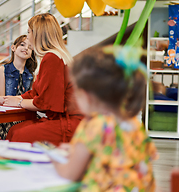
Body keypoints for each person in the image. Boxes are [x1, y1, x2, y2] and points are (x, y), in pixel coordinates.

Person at [53, 46, 158, 191]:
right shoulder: (133, 123)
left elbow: (69, 173)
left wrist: (55, 161)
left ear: (86, 96)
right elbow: (112, 154)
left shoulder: (95, 125)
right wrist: (74, 150)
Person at [0, 13, 83, 146]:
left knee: (18, 133)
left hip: (69, 123)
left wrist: (19, 102)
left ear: (38, 34)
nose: (28, 37)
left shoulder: (51, 58)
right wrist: (3, 99)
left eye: (29, 32)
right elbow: (36, 94)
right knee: (15, 131)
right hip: (66, 119)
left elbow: (45, 102)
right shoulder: (54, 56)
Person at [0, 35, 37, 140]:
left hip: (25, 115)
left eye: (29, 47)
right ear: (13, 48)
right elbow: (1, 100)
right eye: (22, 45)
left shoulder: (32, 75)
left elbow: (32, 98)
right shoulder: (2, 70)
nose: (26, 48)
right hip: (7, 116)